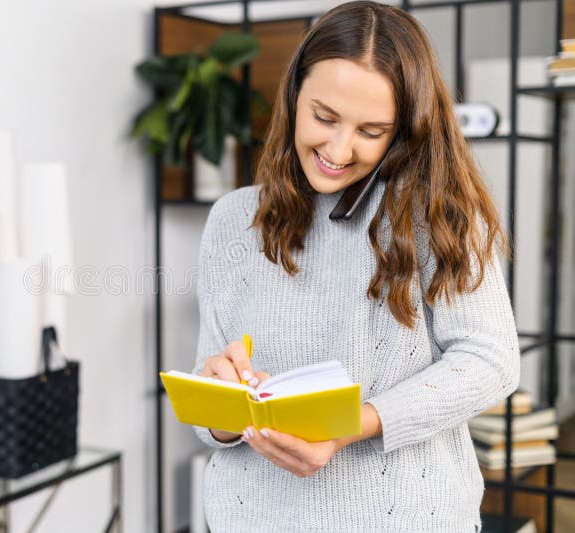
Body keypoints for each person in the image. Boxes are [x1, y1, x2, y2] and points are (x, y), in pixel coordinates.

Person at [191, 1, 520, 531]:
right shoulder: (233, 220)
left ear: (405, 128)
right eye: (324, 117)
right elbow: (212, 407)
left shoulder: (440, 217)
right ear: (296, 94)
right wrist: (225, 408)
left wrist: (355, 424)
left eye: (371, 130)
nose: (338, 149)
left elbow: (491, 360)